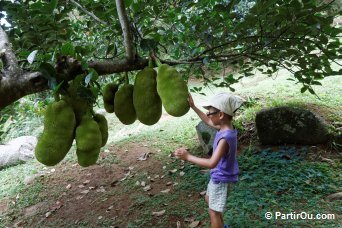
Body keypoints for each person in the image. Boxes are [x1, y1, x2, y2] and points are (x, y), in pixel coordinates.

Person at [174, 92, 245, 228]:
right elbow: (207, 121)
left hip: (221, 179)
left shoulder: (225, 139)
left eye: (211, 113)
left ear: (221, 114)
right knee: (209, 200)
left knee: (213, 212)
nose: (208, 115)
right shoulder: (225, 128)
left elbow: (212, 163)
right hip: (218, 176)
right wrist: (193, 107)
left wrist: (188, 157)